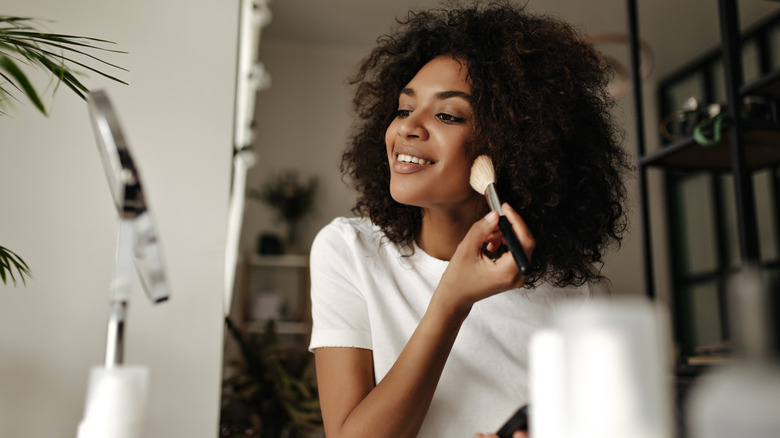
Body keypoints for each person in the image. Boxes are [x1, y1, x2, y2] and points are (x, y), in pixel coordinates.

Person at [308, 2, 631, 437]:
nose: (407, 127)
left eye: (447, 115)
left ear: (514, 145)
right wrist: (451, 301)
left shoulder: (573, 294)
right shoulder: (350, 251)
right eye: (404, 109)